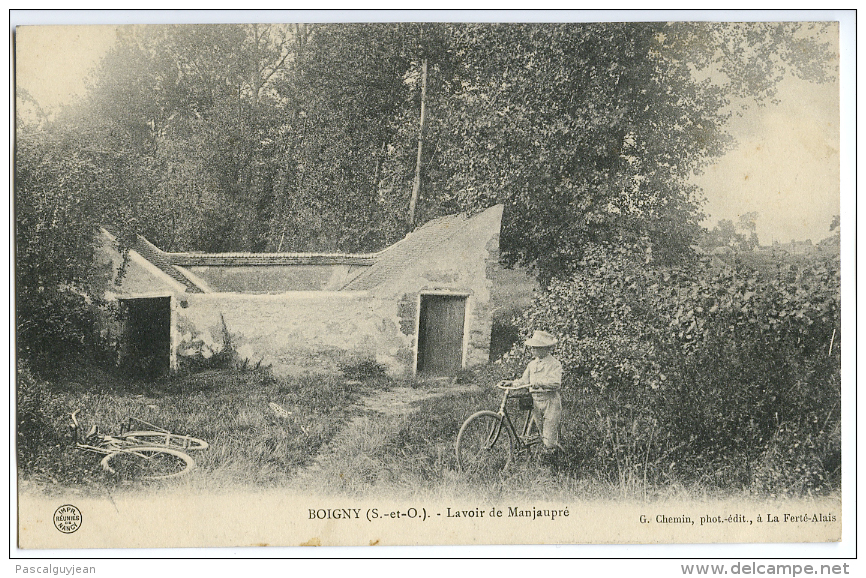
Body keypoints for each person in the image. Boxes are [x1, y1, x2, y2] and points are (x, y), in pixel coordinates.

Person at [509, 330, 563, 456]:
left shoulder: (554, 364)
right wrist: (513, 383)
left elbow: (556, 383)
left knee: (548, 440)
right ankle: (544, 456)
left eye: (536, 348)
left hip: (550, 402)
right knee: (541, 434)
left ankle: (554, 461)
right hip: (536, 402)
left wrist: (539, 383)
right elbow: (524, 380)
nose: (533, 350)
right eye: (532, 348)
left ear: (546, 349)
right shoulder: (532, 364)